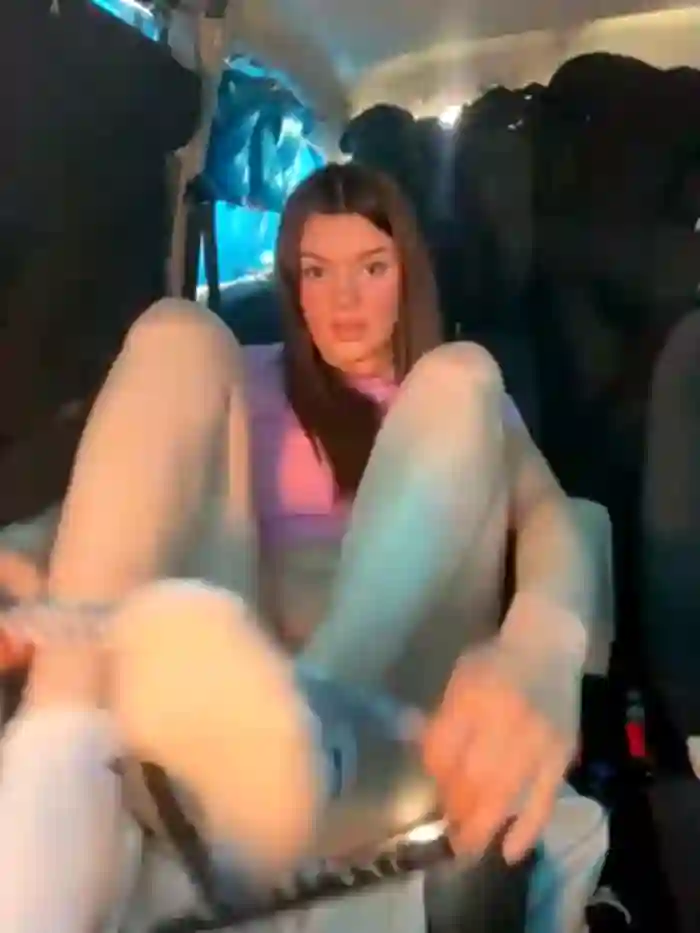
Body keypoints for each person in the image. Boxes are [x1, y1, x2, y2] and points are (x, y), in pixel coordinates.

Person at [0, 162, 607, 933]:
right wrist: (24, 558)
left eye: (371, 268)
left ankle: (307, 729)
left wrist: (545, 645)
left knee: (464, 370)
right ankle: (57, 769)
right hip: (215, 700)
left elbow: (564, 520)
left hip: (382, 719)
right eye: (317, 272)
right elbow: (123, 493)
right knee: (177, 333)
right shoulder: (244, 380)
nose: (343, 299)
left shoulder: (456, 396)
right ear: (292, 284)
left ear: (408, 275)